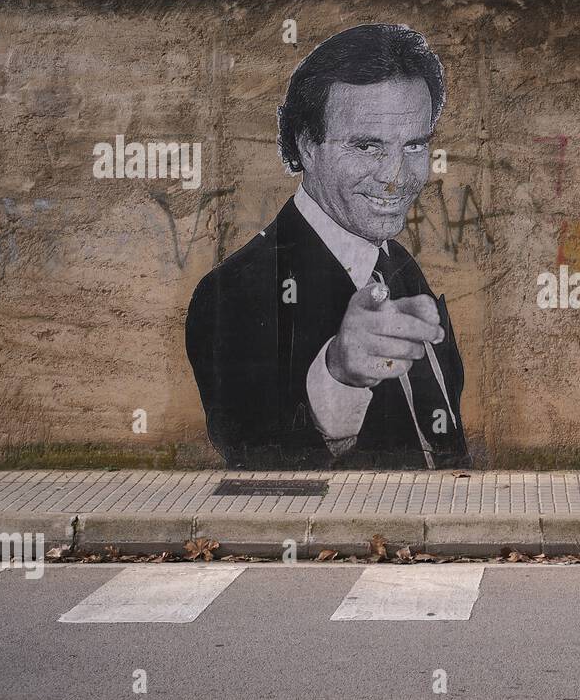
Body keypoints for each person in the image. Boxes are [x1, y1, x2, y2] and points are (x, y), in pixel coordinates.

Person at [185, 24, 468, 470]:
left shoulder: (398, 266)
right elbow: (259, 468)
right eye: (368, 146)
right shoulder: (233, 293)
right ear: (306, 145)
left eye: (414, 145)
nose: (397, 175)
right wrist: (341, 377)